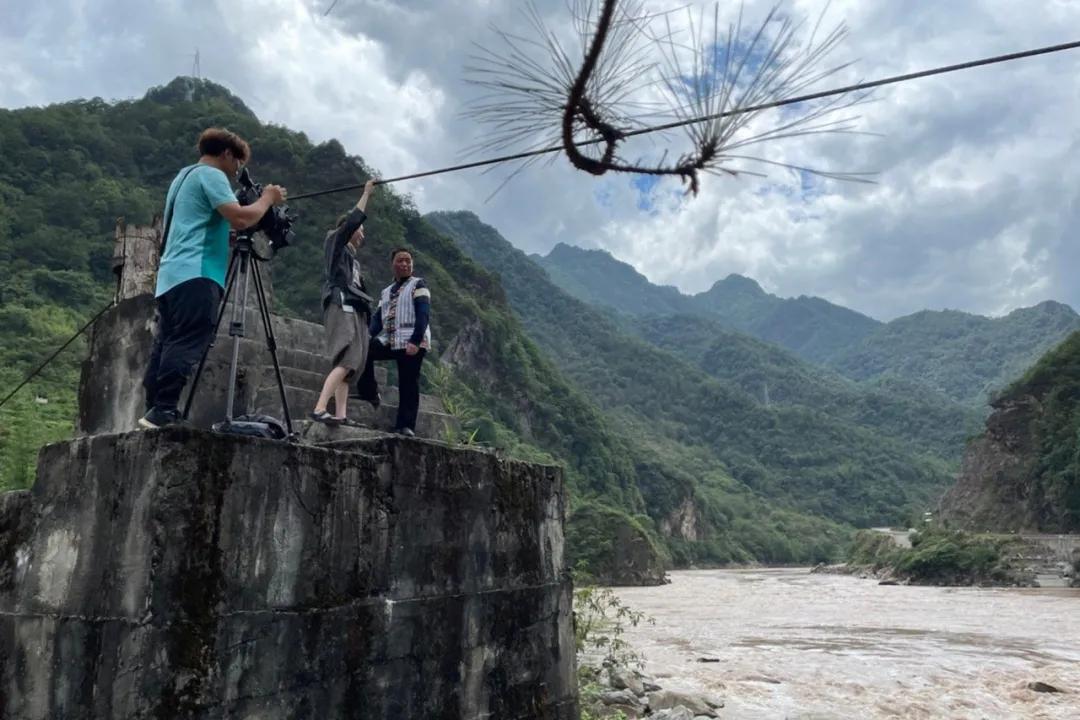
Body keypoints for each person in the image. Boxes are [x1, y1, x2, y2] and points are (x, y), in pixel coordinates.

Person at [140, 128, 287, 428]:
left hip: (171, 275)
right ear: (227, 154)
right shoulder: (212, 175)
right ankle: (165, 410)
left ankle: (155, 409)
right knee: (188, 339)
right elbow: (242, 217)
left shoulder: (183, 177)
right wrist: (268, 199)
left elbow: (198, 223)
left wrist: (226, 236)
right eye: (237, 163)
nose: (237, 172)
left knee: (167, 341)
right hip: (198, 273)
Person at [310, 178, 377, 425]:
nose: (362, 233)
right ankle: (319, 407)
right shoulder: (334, 241)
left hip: (355, 308)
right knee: (347, 358)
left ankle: (341, 414)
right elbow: (351, 222)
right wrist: (366, 194)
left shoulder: (353, 261)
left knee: (353, 365)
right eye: (359, 230)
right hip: (341, 305)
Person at [354, 248, 431, 436]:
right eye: (400, 261)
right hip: (391, 339)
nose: (405, 264)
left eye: (408, 261)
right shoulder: (386, 291)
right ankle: (369, 391)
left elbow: (423, 314)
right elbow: (378, 318)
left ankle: (405, 426)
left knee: (408, 382)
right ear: (392, 264)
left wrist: (415, 340)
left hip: (412, 341)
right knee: (366, 350)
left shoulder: (418, 285)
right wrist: (368, 335)